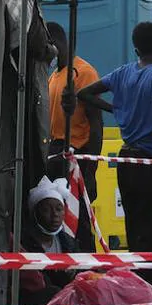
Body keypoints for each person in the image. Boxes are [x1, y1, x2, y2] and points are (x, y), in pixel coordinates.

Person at [78, 22, 152, 254]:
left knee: (133, 230)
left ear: (136, 50)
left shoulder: (122, 73)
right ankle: (150, 286)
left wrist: (116, 109)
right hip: (151, 163)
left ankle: (136, 284)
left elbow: (85, 93)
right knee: (151, 233)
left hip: (126, 161)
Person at [46, 22, 104, 202]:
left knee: (80, 221)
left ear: (56, 44)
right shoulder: (53, 76)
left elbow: (96, 125)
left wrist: (90, 173)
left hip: (77, 155)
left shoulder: (84, 73)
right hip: (56, 153)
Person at [19, 177, 77, 305]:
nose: (55, 214)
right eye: (47, 209)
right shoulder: (24, 243)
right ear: (35, 212)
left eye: (59, 209)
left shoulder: (69, 243)